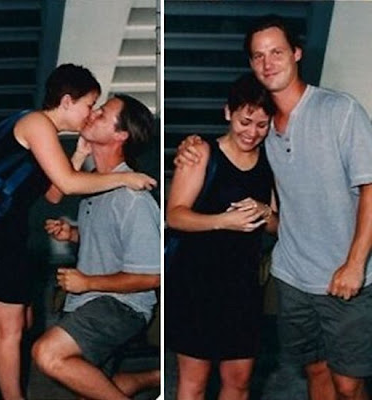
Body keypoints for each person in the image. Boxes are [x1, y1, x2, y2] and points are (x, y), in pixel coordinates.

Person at [176, 15, 372, 400]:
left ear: (297, 53)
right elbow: (239, 155)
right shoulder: (263, 132)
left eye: (277, 52)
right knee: (315, 371)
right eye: (258, 56)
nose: (268, 63)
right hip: (292, 277)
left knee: (349, 385)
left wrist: (354, 264)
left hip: (345, 276)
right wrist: (191, 147)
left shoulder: (340, 110)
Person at [0, 65, 156, 400]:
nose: (91, 113)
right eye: (90, 105)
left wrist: (80, 153)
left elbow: (54, 193)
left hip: (4, 238)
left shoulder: (38, 129)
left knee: (20, 322)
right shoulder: (37, 124)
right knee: (10, 330)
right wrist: (125, 177)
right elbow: (69, 184)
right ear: (68, 101)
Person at [31, 94, 160, 400]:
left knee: (48, 354)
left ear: (121, 135)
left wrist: (87, 282)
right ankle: (153, 378)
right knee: (93, 389)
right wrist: (74, 234)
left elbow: (153, 276)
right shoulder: (94, 182)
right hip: (87, 300)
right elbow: (110, 238)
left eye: (102, 114)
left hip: (122, 306)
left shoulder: (132, 198)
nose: (92, 114)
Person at [165, 73, 278, 400]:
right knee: (194, 382)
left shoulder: (271, 161)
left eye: (262, 125)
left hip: (242, 286)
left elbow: (279, 227)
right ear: (228, 112)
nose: (252, 132)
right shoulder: (201, 152)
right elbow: (175, 215)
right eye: (245, 122)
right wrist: (223, 221)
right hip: (196, 283)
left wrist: (264, 212)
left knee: (239, 382)